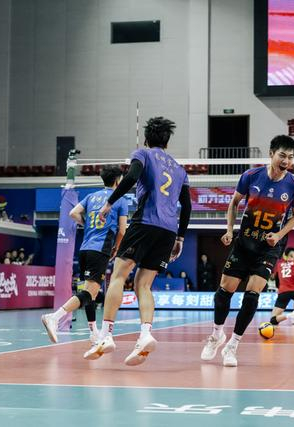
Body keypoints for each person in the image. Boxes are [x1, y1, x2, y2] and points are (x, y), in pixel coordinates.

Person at [83, 117, 191, 366]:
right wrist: (180, 237)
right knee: (144, 285)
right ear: (167, 141)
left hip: (145, 222)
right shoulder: (180, 169)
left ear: (146, 139)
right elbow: (187, 206)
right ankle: (145, 335)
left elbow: (131, 177)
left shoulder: (142, 154)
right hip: (168, 231)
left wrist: (109, 203)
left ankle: (106, 335)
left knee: (118, 276)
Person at [201, 135, 294, 367]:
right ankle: (217, 334)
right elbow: (234, 203)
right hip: (244, 242)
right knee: (224, 292)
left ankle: (233, 345)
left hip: (269, 247)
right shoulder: (250, 176)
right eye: (282, 155)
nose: (286, 161)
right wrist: (229, 230)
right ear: (271, 154)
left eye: (290, 157)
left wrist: (279, 235)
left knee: (252, 295)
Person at [41, 166, 128, 344]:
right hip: (100, 249)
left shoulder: (91, 196)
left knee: (90, 294)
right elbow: (122, 230)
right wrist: (117, 248)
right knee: (89, 293)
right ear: (117, 181)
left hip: (85, 249)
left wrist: (86, 223)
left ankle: (93, 332)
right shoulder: (120, 199)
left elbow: (72, 213)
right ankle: (55, 317)